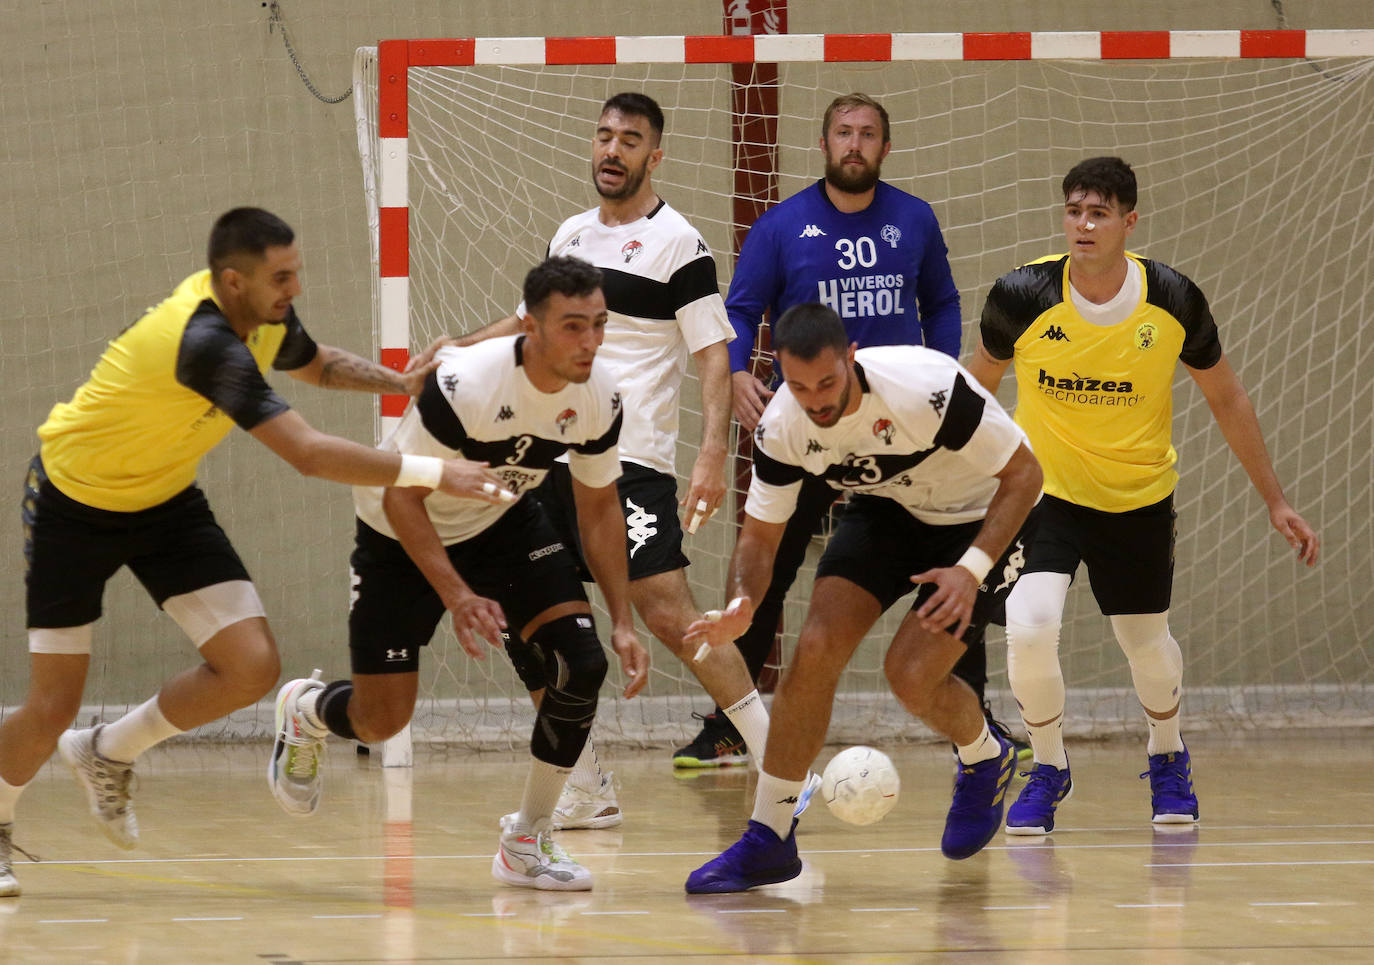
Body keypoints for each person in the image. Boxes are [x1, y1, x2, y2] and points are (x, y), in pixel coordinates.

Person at [0, 207, 508, 898]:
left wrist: (398, 382)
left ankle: (108, 749)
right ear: (232, 281)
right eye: (282, 276)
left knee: (251, 666)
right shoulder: (204, 341)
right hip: (73, 505)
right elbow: (306, 453)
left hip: (163, 502)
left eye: (295, 272)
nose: (294, 287)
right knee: (51, 705)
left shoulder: (264, 317)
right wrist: (432, 470)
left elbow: (319, 364)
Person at [417, 93, 779, 821]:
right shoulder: (571, 235)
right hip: (547, 455)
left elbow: (714, 357)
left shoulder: (681, 243)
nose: (613, 150)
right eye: (605, 136)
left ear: (656, 155)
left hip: (632, 460)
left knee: (670, 614)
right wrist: (459, 348)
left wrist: (712, 453)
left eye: (631, 140)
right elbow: (529, 327)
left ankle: (778, 760)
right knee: (528, 612)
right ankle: (583, 782)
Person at [268, 256, 652, 892]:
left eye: (599, 325)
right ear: (528, 326)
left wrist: (624, 621)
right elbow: (401, 495)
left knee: (581, 662)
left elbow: (600, 506)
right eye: (572, 327)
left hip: (500, 521)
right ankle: (306, 710)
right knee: (381, 720)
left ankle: (528, 839)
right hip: (399, 532)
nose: (589, 343)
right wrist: (459, 596)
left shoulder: (600, 397)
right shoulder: (466, 384)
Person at [964, 157, 1320, 836]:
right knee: (1032, 626)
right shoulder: (1022, 294)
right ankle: (1047, 766)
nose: (1084, 225)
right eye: (1073, 211)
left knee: (1145, 644)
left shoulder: (1173, 299)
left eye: (1099, 213)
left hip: (1137, 498)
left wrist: (1276, 499)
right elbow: (972, 391)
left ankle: (1166, 752)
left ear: (1131, 221)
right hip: (1047, 495)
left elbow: (1227, 396)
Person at [680, 92, 1026, 768]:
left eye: (868, 134)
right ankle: (731, 722)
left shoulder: (914, 220)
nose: (855, 144)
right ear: (824, 143)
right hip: (816, 427)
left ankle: (972, 726)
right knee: (766, 564)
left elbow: (943, 300)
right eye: (844, 132)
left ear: (885, 148)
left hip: (904, 430)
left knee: (951, 557)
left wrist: (951, 371)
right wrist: (737, 373)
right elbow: (741, 310)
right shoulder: (782, 226)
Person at [682, 303, 1043, 894]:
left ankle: (985, 754)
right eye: (800, 388)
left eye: (828, 382)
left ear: (851, 358)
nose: (817, 400)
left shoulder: (924, 388)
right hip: (891, 508)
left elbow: (1026, 476)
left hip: (984, 519)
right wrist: (746, 599)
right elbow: (761, 535)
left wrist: (970, 570)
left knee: (909, 677)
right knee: (816, 647)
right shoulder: (781, 426)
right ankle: (770, 838)